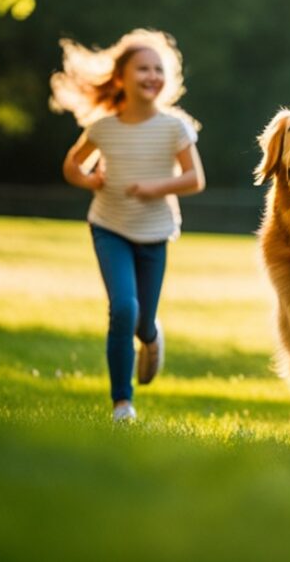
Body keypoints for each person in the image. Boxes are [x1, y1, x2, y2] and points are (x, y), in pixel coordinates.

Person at [51, 29, 206, 422]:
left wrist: (155, 187)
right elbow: (72, 164)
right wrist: (90, 180)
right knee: (122, 308)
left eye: (159, 69)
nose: (152, 76)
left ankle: (151, 338)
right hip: (109, 226)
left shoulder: (175, 127)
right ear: (120, 77)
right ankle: (123, 403)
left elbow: (194, 179)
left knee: (141, 320)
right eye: (142, 69)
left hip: (155, 232)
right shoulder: (103, 128)